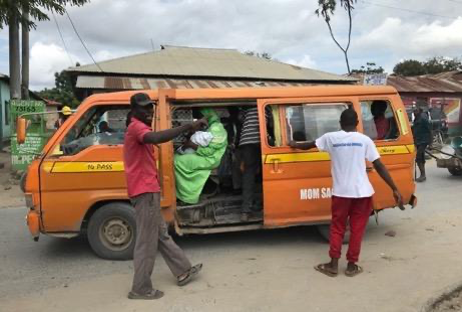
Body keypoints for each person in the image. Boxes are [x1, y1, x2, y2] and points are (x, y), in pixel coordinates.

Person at [289, 108, 404, 277]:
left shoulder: (331, 137)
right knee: (357, 229)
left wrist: (294, 145)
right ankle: (351, 266)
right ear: (357, 123)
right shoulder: (364, 140)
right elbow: (379, 165)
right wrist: (394, 188)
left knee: (337, 228)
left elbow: (310, 145)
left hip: (341, 192)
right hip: (363, 193)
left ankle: (333, 265)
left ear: (340, 124)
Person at [123, 93, 205, 300]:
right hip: (145, 191)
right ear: (134, 111)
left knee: (161, 234)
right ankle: (140, 288)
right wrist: (188, 127)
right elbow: (156, 138)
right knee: (146, 242)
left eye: (150, 108)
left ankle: (183, 270)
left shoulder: (138, 125)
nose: (148, 112)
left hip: (147, 189)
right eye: (144, 109)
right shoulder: (137, 127)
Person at [174, 108, 228, 204]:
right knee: (177, 157)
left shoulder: (217, 128)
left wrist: (191, 145)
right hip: (205, 156)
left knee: (177, 161)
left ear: (209, 116)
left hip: (211, 159)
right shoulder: (209, 127)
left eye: (201, 116)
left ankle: (188, 197)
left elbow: (209, 152)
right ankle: (185, 193)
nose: (199, 118)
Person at [238, 106, 272, 220]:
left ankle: (245, 211)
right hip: (260, 140)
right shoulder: (267, 107)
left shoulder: (245, 108)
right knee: (266, 174)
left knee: (248, 176)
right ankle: (264, 206)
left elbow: (240, 119)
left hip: (246, 141)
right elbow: (272, 124)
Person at [412, 107, 432, 182]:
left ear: (420, 112)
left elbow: (430, 131)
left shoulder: (423, 120)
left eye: (416, 111)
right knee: (421, 158)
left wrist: (430, 144)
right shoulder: (415, 120)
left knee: (418, 158)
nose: (414, 112)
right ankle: (423, 175)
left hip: (424, 141)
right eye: (414, 111)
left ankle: (423, 175)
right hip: (418, 141)